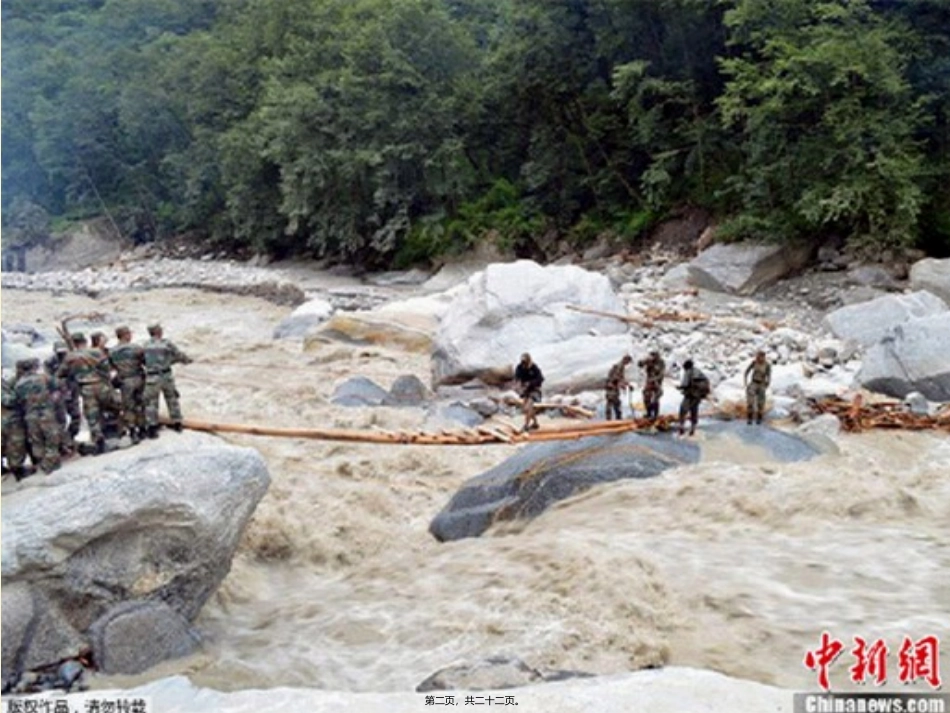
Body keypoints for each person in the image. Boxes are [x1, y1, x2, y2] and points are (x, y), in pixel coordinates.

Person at [57, 332, 117, 454]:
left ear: (73, 343)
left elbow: (61, 374)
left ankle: (99, 442)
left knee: (92, 416)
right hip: (102, 385)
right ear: (85, 341)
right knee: (115, 405)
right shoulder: (96, 352)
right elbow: (107, 368)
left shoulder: (70, 357)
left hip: (86, 388)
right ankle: (122, 431)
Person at [143, 323, 192, 438]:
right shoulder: (166, 343)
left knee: (151, 402)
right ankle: (177, 423)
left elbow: (142, 360)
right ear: (158, 331)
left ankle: (152, 428)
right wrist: (188, 361)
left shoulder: (145, 345)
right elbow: (179, 355)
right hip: (166, 375)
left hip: (152, 377)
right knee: (172, 398)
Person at [14, 358, 62, 474]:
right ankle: (51, 462)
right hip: (45, 412)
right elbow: (58, 385)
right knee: (51, 437)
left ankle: (42, 462)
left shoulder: (18, 385)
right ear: (34, 367)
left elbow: (18, 400)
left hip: (30, 415)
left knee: (36, 440)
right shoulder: (43, 377)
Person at [110, 326, 146, 443]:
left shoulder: (112, 351)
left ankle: (132, 431)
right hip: (138, 378)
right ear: (125, 335)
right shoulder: (137, 348)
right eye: (129, 334)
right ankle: (142, 429)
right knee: (141, 404)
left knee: (128, 407)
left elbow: (111, 367)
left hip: (124, 381)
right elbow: (145, 362)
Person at [45, 340, 81, 453]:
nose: (62, 354)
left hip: (72, 389)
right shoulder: (49, 362)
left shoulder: (72, 358)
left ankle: (70, 437)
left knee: (76, 416)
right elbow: (49, 378)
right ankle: (63, 443)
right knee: (60, 419)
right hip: (58, 393)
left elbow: (78, 373)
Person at [2, 369, 31, 480]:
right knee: (15, 442)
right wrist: (20, 395)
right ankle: (17, 469)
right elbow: (8, 401)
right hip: (8, 418)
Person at [677, 359, 710, 437]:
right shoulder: (698, 371)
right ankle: (693, 428)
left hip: (690, 395)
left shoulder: (688, 372)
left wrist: (680, 387)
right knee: (694, 410)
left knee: (683, 409)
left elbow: (685, 384)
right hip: (698, 395)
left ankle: (681, 427)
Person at [513, 352, 544, 432]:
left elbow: (541, 378)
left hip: (534, 390)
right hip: (525, 391)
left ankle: (526, 425)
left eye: (525, 362)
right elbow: (517, 377)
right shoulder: (519, 367)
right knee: (526, 409)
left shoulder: (534, 368)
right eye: (522, 362)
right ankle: (535, 423)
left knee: (528, 407)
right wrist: (518, 386)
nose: (524, 364)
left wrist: (531, 383)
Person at [744, 350, 772, 425]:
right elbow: (746, 372)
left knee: (761, 403)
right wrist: (746, 382)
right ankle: (749, 419)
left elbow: (769, 375)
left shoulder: (767, 365)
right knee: (750, 401)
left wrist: (767, 384)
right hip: (754, 382)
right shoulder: (754, 363)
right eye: (759, 356)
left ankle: (759, 419)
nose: (760, 358)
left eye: (761, 356)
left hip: (762, 384)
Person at [638, 350, 666, 421]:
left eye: (654, 355)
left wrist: (655, 378)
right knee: (646, 396)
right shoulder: (649, 360)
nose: (653, 357)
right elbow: (640, 364)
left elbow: (661, 373)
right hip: (649, 381)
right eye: (652, 355)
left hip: (657, 382)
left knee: (656, 398)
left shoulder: (661, 362)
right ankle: (649, 413)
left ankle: (655, 415)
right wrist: (643, 362)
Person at [605, 355, 632, 420]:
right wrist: (623, 384)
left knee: (612, 403)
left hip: (611, 387)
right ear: (626, 360)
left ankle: (611, 419)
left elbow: (621, 378)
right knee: (614, 403)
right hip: (612, 387)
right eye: (628, 362)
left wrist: (626, 384)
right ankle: (616, 419)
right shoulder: (620, 366)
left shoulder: (619, 366)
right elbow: (616, 378)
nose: (627, 364)